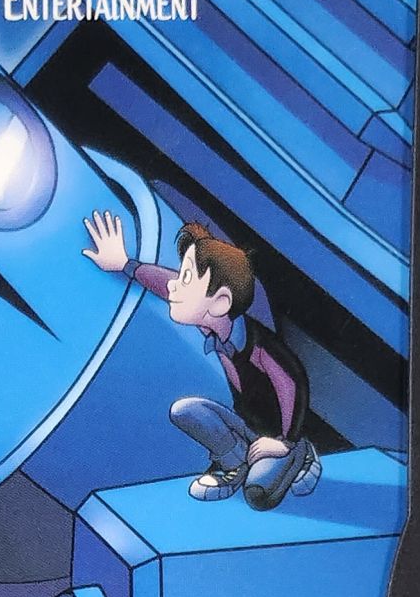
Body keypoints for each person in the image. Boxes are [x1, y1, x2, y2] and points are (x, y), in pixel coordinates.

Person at [82, 209, 320, 506]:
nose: (174, 284)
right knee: (185, 410)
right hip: (245, 428)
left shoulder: (258, 346)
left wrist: (285, 441)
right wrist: (125, 265)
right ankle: (234, 463)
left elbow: (292, 383)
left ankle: (298, 453)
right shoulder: (213, 321)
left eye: (186, 278)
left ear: (220, 302)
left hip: (277, 438)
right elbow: (166, 285)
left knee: (258, 494)